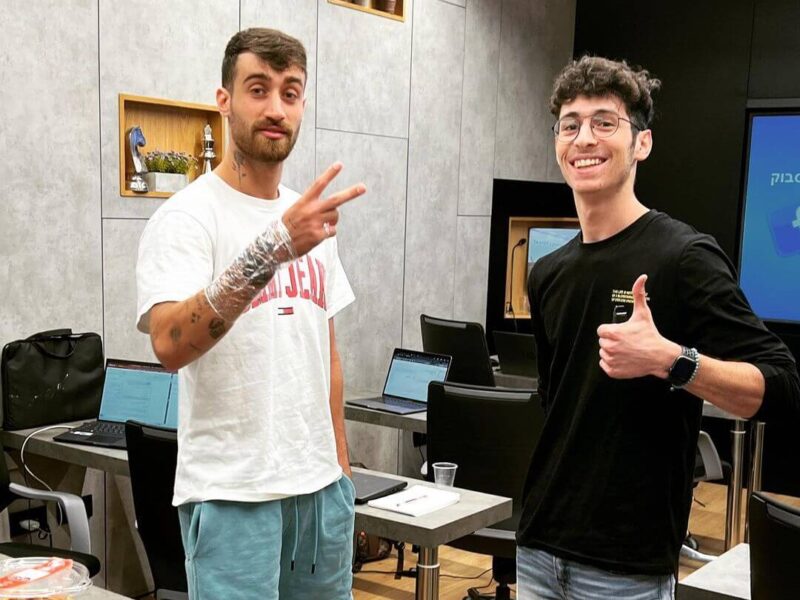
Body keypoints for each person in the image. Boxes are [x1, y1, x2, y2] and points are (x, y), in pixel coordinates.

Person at [516, 55, 800, 599]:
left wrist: (672, 361)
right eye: (570, 125)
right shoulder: (547, 273)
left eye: (604, 122)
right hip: (537, 549)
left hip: (625, 566)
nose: (584, 138)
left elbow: (783, 386)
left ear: (641, 143)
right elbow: (556, 409)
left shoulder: (684, 257)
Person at [136, 27, 366, 600]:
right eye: (258, 89)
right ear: (225, 100)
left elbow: (326, 353)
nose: (275, 109)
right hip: (232, 495)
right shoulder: (187, 217)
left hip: (319, 494)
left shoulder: (309, 217)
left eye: (290, 93)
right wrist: (272, 248)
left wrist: (340, 470)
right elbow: (168, 345)